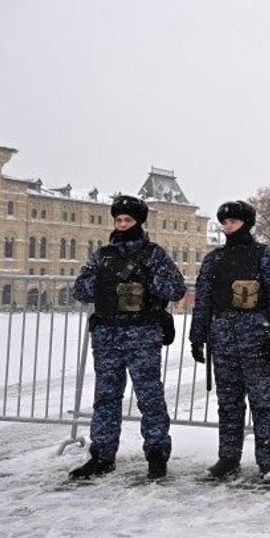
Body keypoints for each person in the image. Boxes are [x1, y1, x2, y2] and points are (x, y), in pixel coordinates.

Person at [70, 195, 186, 481]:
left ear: (139, 221)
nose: (122, 225)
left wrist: (147, 280)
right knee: (106, 398)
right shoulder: (103, 255)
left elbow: (175, 289)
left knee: (150, 398)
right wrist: (103, 283)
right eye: (118, 220)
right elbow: (81, 291)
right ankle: (102, 456)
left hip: (142, 335)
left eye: (128, 220)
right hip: (107, 336)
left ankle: (157, 456)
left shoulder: (153, 254)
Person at [189, 200, 270, 483]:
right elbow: (203, 300)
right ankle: (228, 457)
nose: (227, 227)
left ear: (246, 223)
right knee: (228, 402)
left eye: (233, 221)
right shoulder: (214, 259)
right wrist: (197, 335)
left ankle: (268, 463)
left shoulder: (266, 256)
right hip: (222, 337)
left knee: (263, 402)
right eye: (224, 222)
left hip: (256, 335)